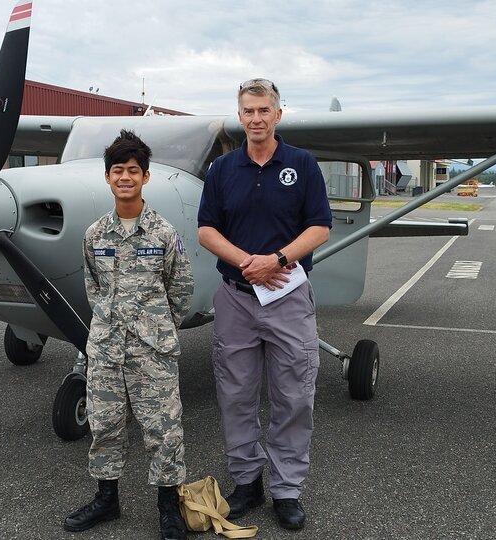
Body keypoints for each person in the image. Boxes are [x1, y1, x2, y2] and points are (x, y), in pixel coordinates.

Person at [196, 78, 333, 531]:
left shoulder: (302, 164)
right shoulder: (222, 169)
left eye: (263, 110)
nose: (256, 118)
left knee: (294, 395)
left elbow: (319, 227)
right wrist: (247, 263)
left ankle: (287, 489)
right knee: (235, 394)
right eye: (248, 111)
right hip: (236, 298)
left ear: (277, 114)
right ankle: (247, 481)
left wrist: (277, 259)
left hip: (288, 295)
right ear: (240, 116)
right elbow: (207, 230)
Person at [64, 130, 195, 540]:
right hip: (106, 350)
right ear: (107, 177)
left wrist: (157, 329)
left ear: (145, 177)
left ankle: (168, 507)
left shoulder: (163, 233)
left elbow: (181, 289)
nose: (125, 177)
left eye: (133, 170)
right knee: (104, 425)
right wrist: (110, 325)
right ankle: (107, 500)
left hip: (152, 350)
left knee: (163, 429)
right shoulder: (94, 235)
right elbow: (94, 288)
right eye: (118, 170)